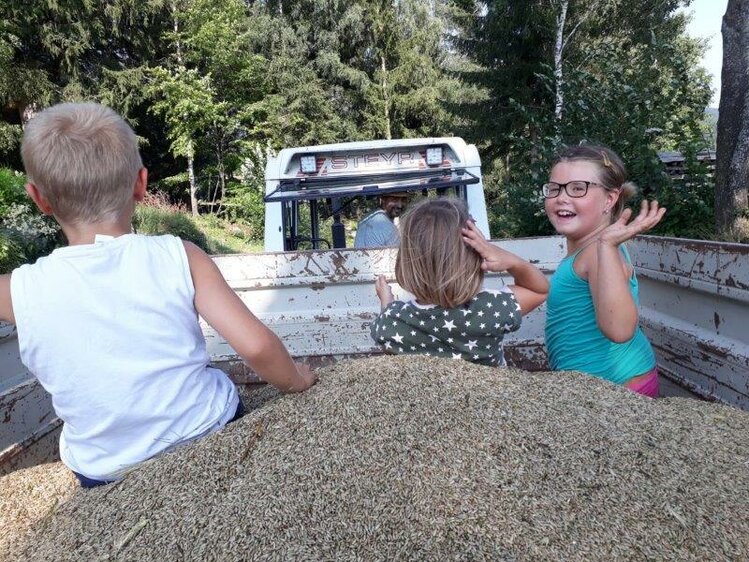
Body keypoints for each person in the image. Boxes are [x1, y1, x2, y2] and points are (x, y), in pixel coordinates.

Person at [0, 102, 316, 488]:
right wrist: (295, 381)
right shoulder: (180, 255)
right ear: (141, 183)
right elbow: (256, 347)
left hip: (104, 471)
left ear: (39, 199)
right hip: (208, 431)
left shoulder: (19, 289)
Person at [542, 144, 666, 397]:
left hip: (617, 391)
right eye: (554, 188)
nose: (562, 197)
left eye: (578, 188)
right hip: (597, 389)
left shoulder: (599, 252)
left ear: (610, 199)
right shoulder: (588, 249)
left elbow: (619, 330)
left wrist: (607, 246)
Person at [370, 198, 549, 366]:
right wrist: (508, 259)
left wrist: (387, 302)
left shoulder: (393, 320)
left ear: (406, 264)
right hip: (491, 398)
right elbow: (539, 290)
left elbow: (388, 337)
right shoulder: (493, 307)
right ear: (475, 258)